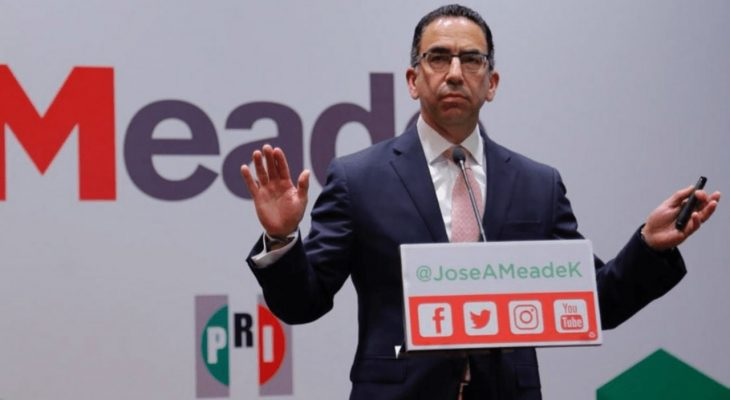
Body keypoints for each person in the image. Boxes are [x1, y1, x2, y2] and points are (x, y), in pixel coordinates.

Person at [239, 4, 721, 400]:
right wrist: (282, 238)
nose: (454, 73)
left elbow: (595, 302)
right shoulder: (358, 179)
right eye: (438, 58)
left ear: (491, 83)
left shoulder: (537, 184)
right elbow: (304, 303)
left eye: (471, 60)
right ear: (413, 79)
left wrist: (648, 245)